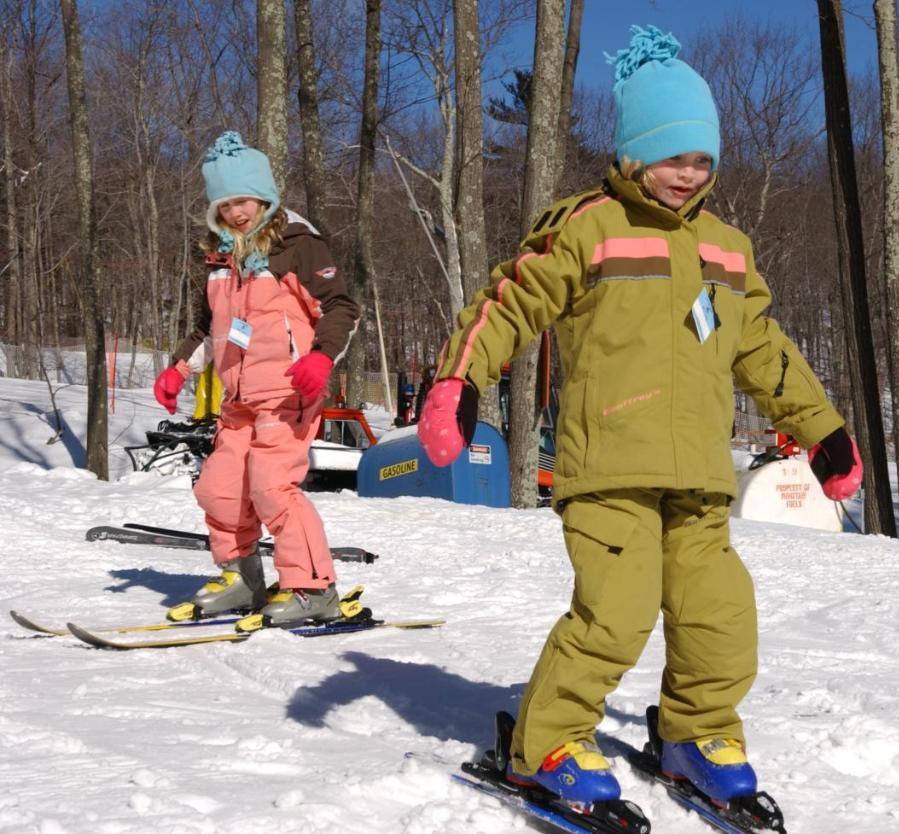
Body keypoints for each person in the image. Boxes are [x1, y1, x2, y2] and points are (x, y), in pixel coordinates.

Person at [418, 26, 862, 809]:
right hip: (610, 468)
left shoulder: (727, 248)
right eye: (670, 156)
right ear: (629, 154)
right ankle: (546, 741)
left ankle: (696, 730)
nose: (687, 175)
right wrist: (459, 381)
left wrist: (822, 428)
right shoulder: (588, 227)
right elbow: (511, 300)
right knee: (614, 613)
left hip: (697, 475)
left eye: (701, 159)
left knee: (720, 614)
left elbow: (763, 347)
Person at [153, 131, 360, 627]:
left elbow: (341, 307)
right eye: (225, 204)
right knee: (218, 488)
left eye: (243, 200)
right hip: (239, 399)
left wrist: (321, 359)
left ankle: (314, 587)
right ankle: (242, 578)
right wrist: (178, 369)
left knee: (272, 488)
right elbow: (211, 328)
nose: (235, 212)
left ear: (264, 196)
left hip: (289, 392)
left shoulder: (297, 246)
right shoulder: (222, 258)